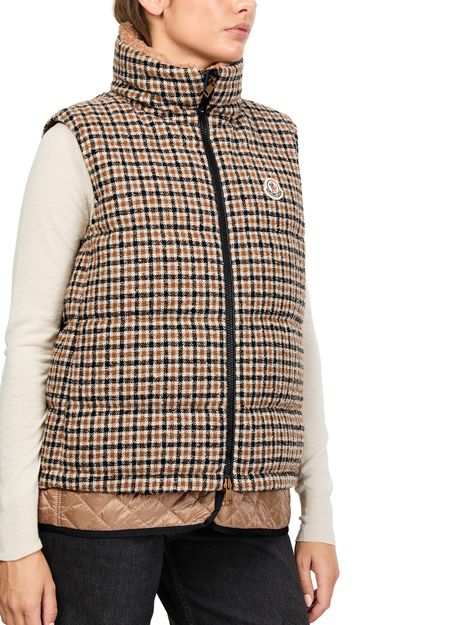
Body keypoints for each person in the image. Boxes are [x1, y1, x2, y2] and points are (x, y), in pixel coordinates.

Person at [0, 1, 340, 624]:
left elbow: (295, 332)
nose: (245, 5)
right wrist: (13, 541)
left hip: (245, 506)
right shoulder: (83, 138)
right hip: (97, 506)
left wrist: (318, 515)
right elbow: (30, 341)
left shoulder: (274, 139)